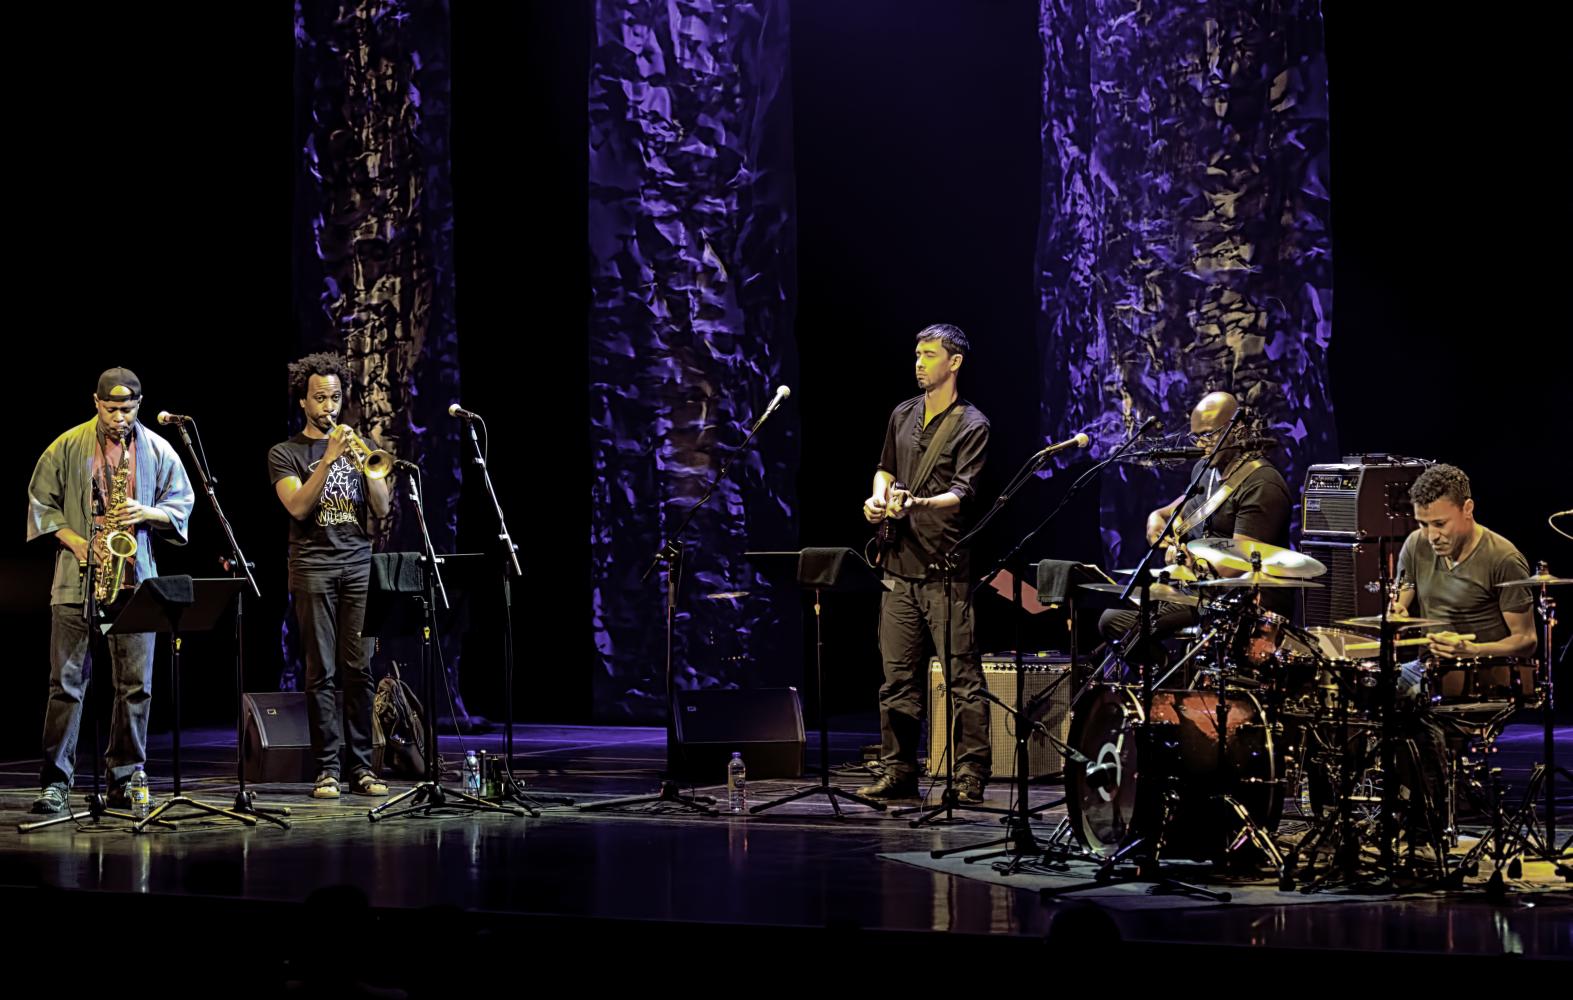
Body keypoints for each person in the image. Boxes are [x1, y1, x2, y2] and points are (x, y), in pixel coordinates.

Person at [26, 367, 194, 814]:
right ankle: (56, 781)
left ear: (139, 404)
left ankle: (126, 776)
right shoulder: (67, 445)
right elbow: (42, 505)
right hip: (77, 579)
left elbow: (182, 503)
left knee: (136, 686)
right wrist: (82, 546)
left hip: (136, 580)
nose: (120, 417)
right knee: (65, 684)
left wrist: (148, 513)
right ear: (95, 402)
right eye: (112, 408)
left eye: (128, 408)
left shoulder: (158, 448)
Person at [858, 324, 991, 803]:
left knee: (962, 681)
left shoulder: (972, 423)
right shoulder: (902, 413)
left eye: (929, 355)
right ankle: (899, 772)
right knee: (896, 679)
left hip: (944, 571)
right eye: (916, 354)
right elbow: (885, 468)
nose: (918, 363)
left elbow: (962, 493)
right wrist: (876, 501)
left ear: (953, 363)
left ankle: (969, 775)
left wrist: (918, 504)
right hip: (898, 568)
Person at [268, 352, 392, 799]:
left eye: (335, 397)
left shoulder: (357, 448)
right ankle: (327, 770)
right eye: (320, 398)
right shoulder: (285, 453)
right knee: (321, 672)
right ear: (303, 401)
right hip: (313, 569)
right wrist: (328, 460)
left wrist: (365, 463)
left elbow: (381, 507)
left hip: (358, 565)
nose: (329, 407)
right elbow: (298, 506)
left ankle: (362, 768)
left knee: (358, 669)